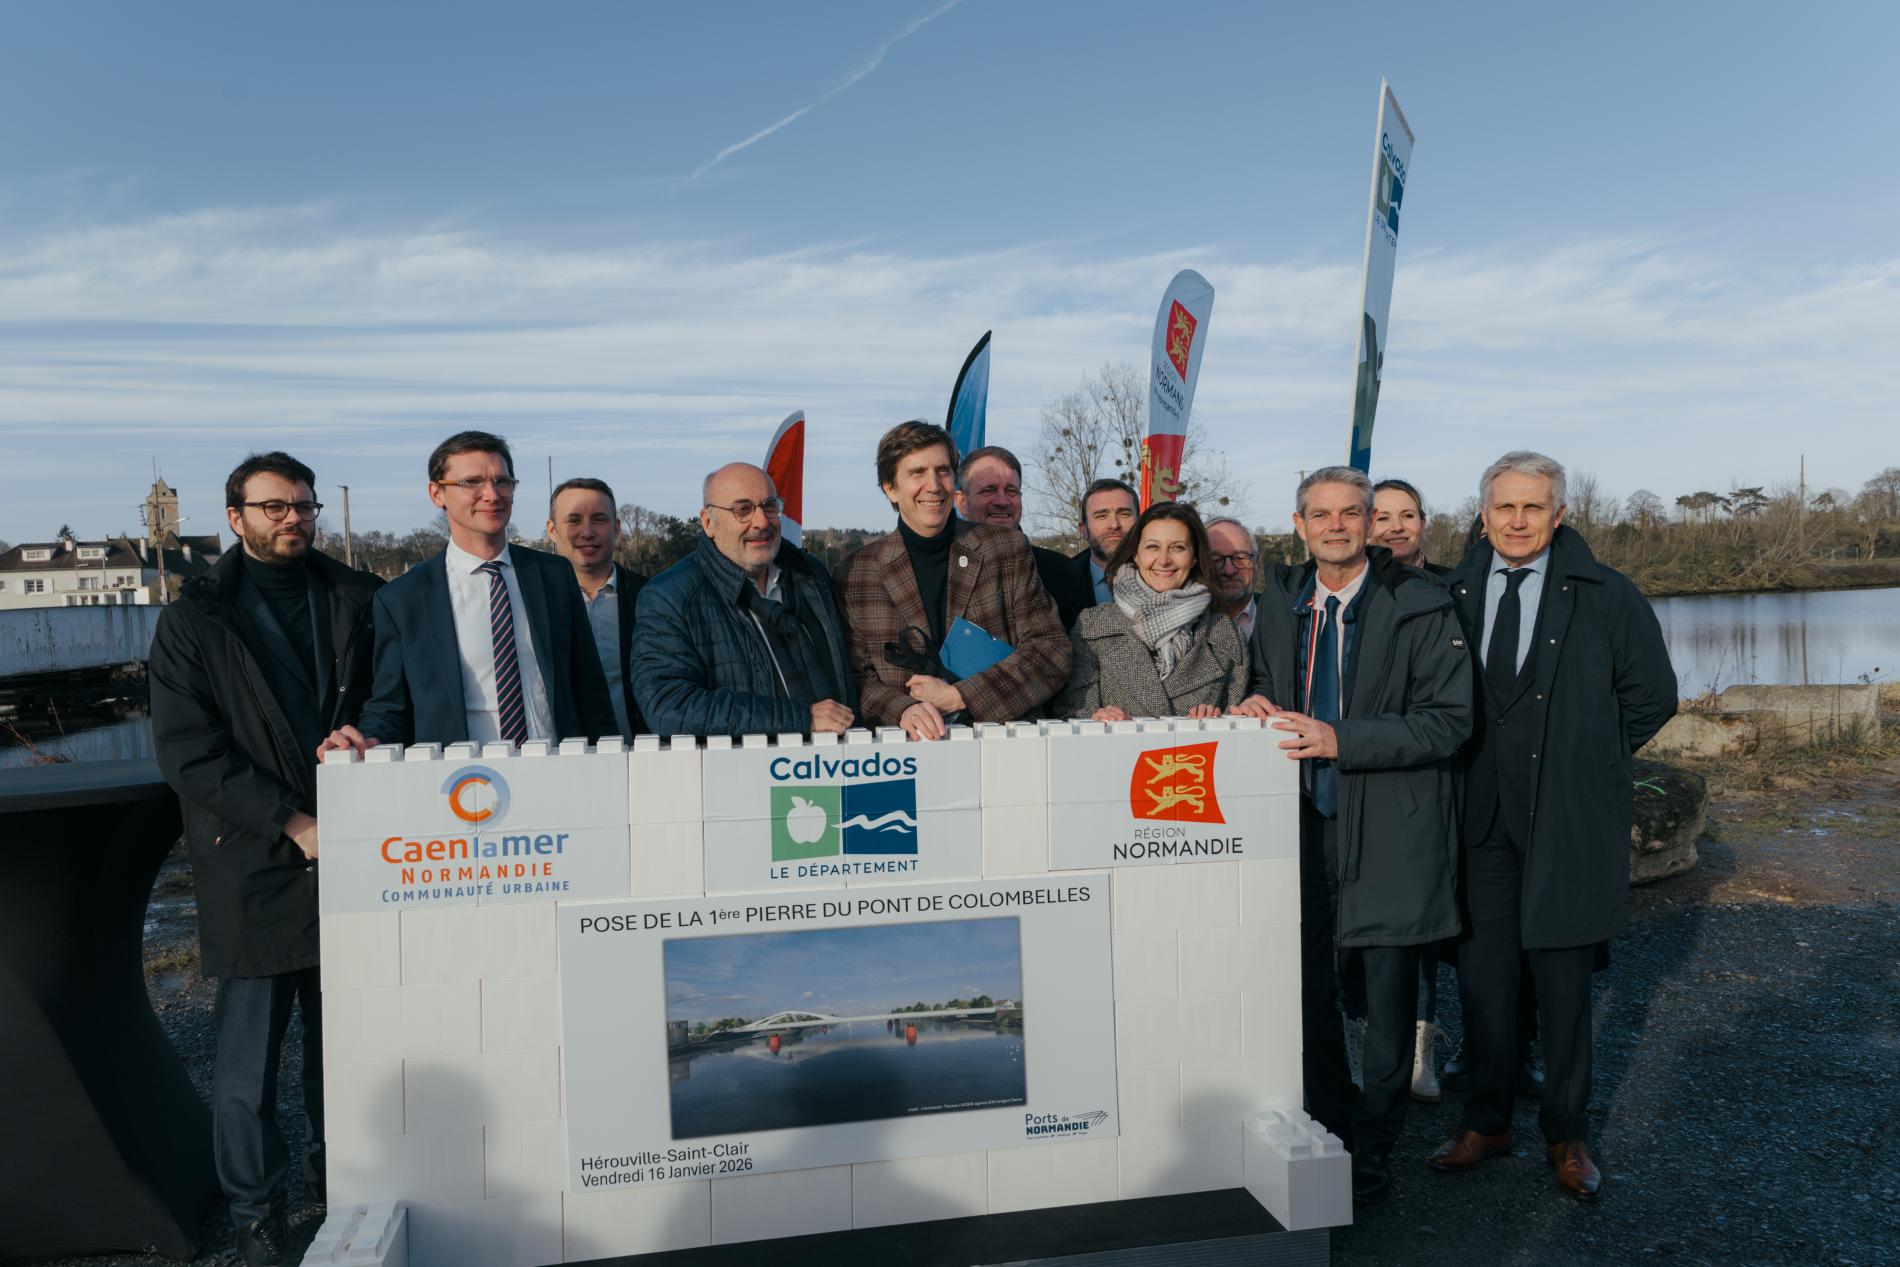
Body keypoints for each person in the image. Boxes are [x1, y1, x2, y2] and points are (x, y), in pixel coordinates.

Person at [149, 452, 381, 1265]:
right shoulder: (195, 618)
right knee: (247, 1062)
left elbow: (390, 700)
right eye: (275, 506)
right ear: (236, 516)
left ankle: (341, 1183)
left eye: (303, 506)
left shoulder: (356, 596)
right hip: (250, 855)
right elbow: (188, 752)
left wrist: (371, 740)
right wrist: (291, 819)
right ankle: (256, 1212)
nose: (293, 518)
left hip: (352, 848)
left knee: (342, 1047)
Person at [1428, 451, 1676, 1202]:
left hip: (1566, 819)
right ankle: (1487, 1121)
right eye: (1504, 507)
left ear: (1559, 514)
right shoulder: (1451, 593)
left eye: (1533, 507)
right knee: (1484, 980)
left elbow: (1652, 695)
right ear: (1483, 515)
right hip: (1479, 819)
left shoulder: (1606, 594)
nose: (1517, 520)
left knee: (1564, 987)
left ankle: (1567, 1134)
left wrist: (1586, 760)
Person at [1232, 465, 1472, 1206]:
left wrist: (1342, 739)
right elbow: (1267, 682)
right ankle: (1332, 1123)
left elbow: (1449, 721)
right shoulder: (1282, 604)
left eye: (1349, 513)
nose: (1335, 526)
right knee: (1304, 990)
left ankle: (1374, 1145)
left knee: (1388, 1001)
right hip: (1303, 826)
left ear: (1370, 523)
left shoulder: (1422, 604)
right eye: (1320, 514)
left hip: (1391, 826)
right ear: (1298, 525)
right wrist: (1254, 701)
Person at [322, 431, 616, 753]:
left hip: (556, 767)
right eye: (472, 482)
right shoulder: (403, 598)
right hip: (461, 778)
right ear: (437, 493)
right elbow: (390, 708)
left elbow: (591, 693)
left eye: (502, 481)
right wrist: (362, 742)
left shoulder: (554, 576)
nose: (492, 494)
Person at [833, 420, 1070, 739]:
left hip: (1003, 745)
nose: (933, 485)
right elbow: (854, 679)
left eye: (942, 471)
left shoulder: (1005, 550)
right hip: (907, 754)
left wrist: (961, 696)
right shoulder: (855, 573)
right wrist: (903, 710)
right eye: (917, 473)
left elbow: (1051, 652)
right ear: (890, 488)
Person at [631, 462, 855, 738]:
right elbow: (668, 706)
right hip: (747, 765)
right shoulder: (669, 598)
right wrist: (801, 717)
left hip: (840, 758)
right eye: (743, 510)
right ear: (708, 522)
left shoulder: (812, 575)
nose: (761, 522)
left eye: (769, 506)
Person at [1053, 501, 1247, 720]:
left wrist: (1217, 722)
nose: (1164, 560)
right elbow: (1069, 712)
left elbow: (1240, 722)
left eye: (1178, 547)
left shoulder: (1224, 633)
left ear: (1194, 557)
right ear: (1136, 554)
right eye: (1153, 547)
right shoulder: (1092, 627)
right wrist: (1093, 718)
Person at [546, 477, 647, 739]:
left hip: (638, 752)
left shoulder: (650, 598)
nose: (587, 532)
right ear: (552, 530)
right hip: (558, 754)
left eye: (599, 519)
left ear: (616, 528)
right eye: (574, 520)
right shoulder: (533, 604)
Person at [956, 444, 1093, 631]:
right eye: (988, 490)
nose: (1002, 501)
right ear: (962, 502)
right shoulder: (942, 568)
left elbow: (1080, 645)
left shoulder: (1062, 572)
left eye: (1011, 491)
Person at [1072, 477, 1139, 610]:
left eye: (1125, 514)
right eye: (1101, 516)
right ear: (1084, 530)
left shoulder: (1166, 575)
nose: (1114, 525)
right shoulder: (1059, 584)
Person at [1202, 516, 1259, 640]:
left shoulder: (1284, 617)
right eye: (1216, 560)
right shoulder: (1184, 627)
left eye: (1240, 558)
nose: (1229, 571)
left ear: (1256, 561)